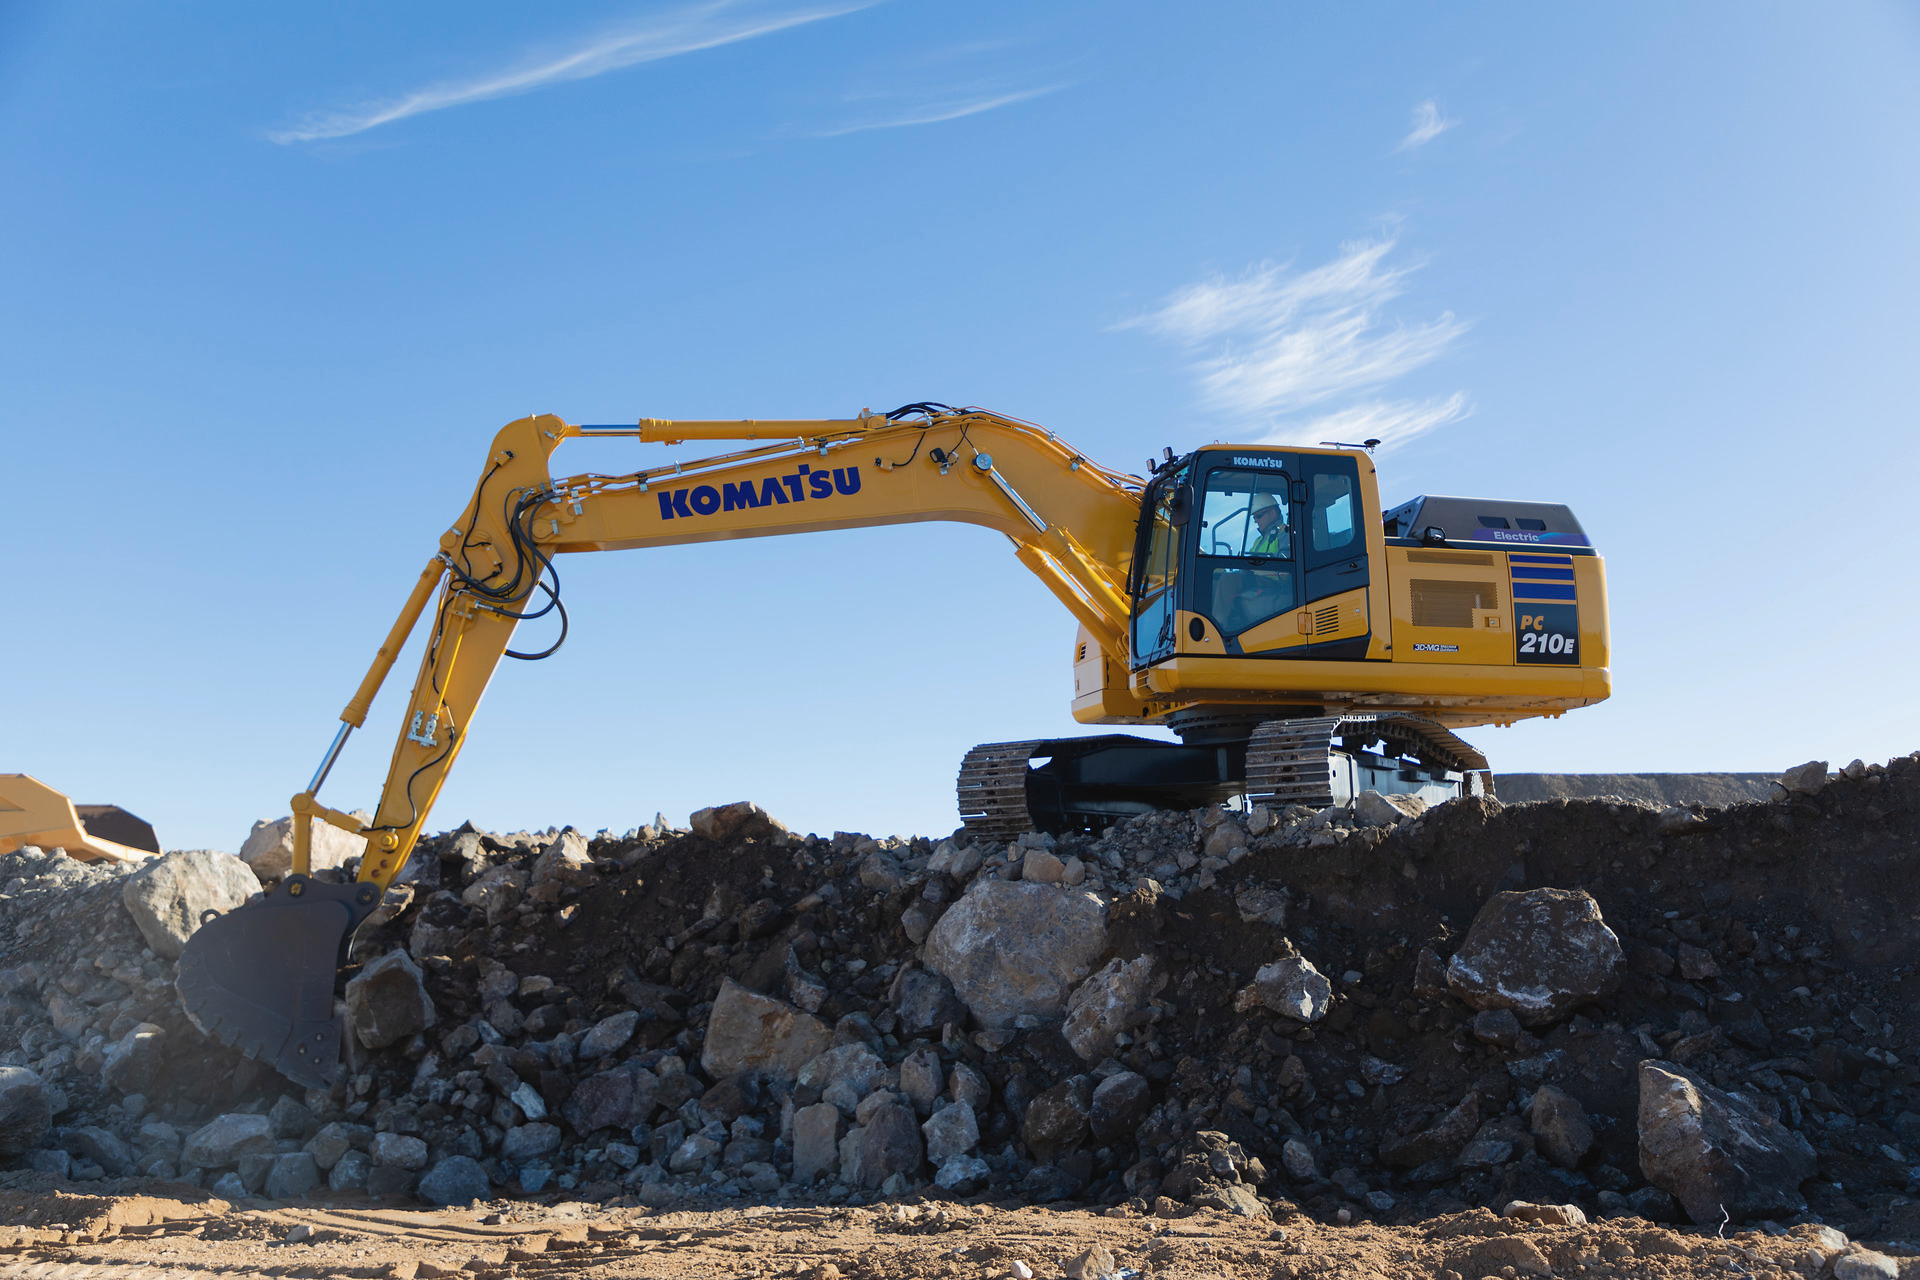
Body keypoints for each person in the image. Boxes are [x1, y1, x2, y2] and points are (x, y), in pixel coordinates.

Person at [1214, 489, 1292, 631]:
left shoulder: (1286, 532)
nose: (1255, 520)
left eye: (1259, 516)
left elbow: (1286, 564)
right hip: (1256, 578)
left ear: (1272, 512)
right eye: (1254, 517)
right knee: (1217, 577)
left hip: (1275, 582)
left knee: (1228, 579)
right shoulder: (1259, 541)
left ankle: (1218, 625)